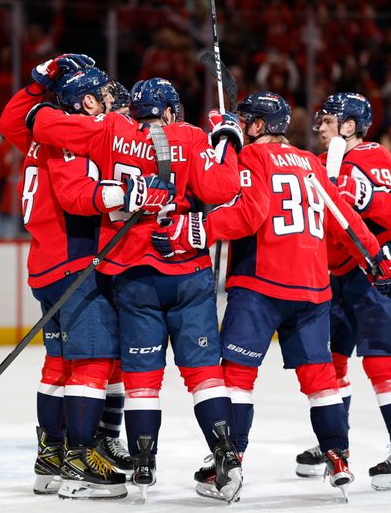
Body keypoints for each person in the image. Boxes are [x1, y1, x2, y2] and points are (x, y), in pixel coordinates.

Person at [151, 92, 391, 500]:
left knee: (236, 376)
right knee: (320, 378)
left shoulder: (252, 158)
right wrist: (377, 260)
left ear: (256, 125)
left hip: (261, 284)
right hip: (313, 286)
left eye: (246, 120)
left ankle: (230, 462)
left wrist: (193, 229)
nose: (243, 126)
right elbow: (344, 218)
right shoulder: (310, 162)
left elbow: (248, 213)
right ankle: (338, 455)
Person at [28, 77, 245, 502]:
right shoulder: (190, 135)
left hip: (129, 272)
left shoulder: (110, 129)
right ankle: (226, 455)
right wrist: (228, 140)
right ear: (169, 111)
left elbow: (47, 128)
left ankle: (143, 463)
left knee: (142, 379)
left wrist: (38, 103)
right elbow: (222, 189)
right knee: (204, 373)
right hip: (186, 270)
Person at [0, 54, 145, 500]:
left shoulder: (40, 136)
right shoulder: (68, 136)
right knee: (94, 360)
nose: (110, 103)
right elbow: (77, 194)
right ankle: (81, 459)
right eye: (102, 97)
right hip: (74, 262)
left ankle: (53, 454)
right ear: (84, 101)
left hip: (48, 262)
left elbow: (9, 122)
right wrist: (127, 190)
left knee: (59, 364)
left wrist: (34, 87)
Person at [302, 92, 391, 491]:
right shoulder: (321, 163)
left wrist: (358, 192)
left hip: (380, 263)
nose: (319, 126)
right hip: (338, 271)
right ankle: (334, 443)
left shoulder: (372, 154)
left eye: (327, 120)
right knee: (331, 360)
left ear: (350, 125)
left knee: (380, 357)